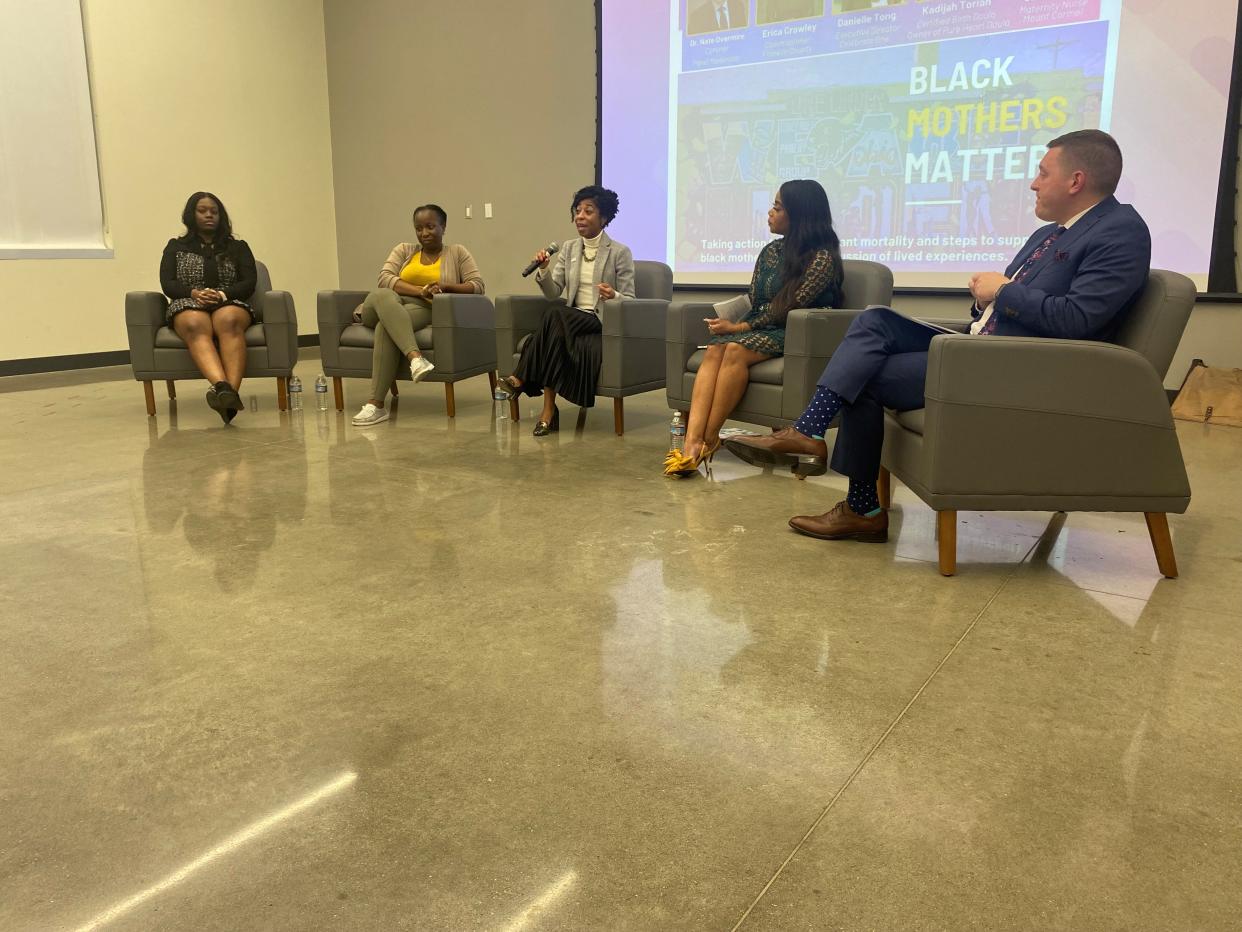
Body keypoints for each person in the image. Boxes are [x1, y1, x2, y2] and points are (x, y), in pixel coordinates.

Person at [726, 129, 1151, 542]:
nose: (1032, 183)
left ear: (1076, 180)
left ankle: (859, 505)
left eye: (1042, 172)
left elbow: (1078, 319)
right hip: (982, 348)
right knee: (875, 320)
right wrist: (986, 300)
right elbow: (1011, 303)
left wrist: (1002, 291)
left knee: (866, 376)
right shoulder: (1049, 233)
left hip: (1025, 369)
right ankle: (812, 434)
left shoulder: (1119, 230)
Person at [665, 179, 844, 477]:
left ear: (799, 214)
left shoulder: (822, 259)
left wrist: (739, 326)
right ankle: (691, 444)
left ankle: (710, 439)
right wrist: (735, 321)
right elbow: (758, 298)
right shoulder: (770, 251)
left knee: (734, 347)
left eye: (777, 207)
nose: (770, 213)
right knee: (715, 349)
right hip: (761, 324)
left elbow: (786, 308)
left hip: (796, 332)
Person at [494, 186, 636, 436]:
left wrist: (614, 295)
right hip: (570, 319)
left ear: (603, 218)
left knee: (553, 316)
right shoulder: (569, 248)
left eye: (588, 211)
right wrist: (544, 270)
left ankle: (518, 378)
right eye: (577, 211)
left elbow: (631, 300)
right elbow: (553, 292)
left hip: (599, 319)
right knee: (555, 327)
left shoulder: (619, 253)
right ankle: (548, 412)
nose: (580, 216)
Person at [350, 205, 485, 426]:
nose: (424, 233)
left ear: (443, 227)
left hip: (424, 309)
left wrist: (445, 286)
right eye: (419, 228)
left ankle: (376, 405)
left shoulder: (458, 252)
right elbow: (384, 278)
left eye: (431, 227)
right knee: (383, 294)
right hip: (381, 307)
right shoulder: (404, 249)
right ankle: (415, 358)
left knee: (386, 328)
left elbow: (477, 286)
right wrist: (419, 290)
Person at [159, 192, 257, 425]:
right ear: (191, 215)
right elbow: (168, 283)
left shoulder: (239, 247)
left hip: (229, 299)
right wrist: (193, 293)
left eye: (214, 211)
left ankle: (226, 396)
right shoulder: (175, 247)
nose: (209, 215)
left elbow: (249, 282)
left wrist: (222, 294)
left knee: (229, 321)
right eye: (202, 210)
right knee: (194, 324)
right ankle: (225, 390)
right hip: (188, 300)